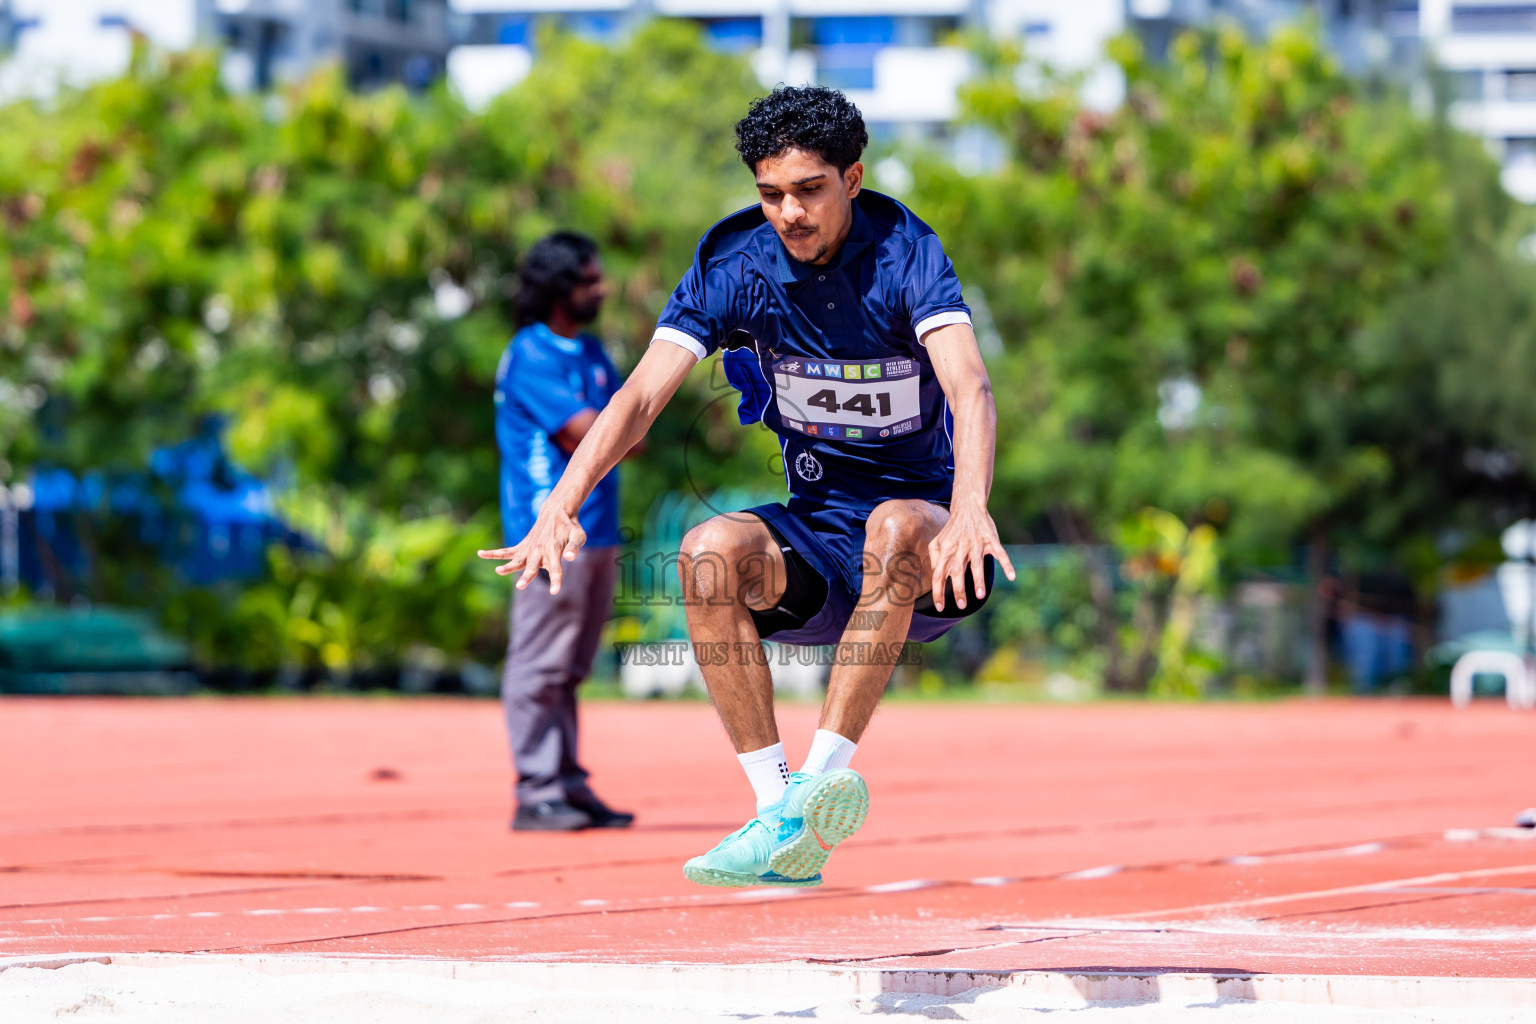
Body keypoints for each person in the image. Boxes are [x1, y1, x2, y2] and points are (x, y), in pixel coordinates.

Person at [480, 87, 1013, 882]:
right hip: (821, 545)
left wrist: (970, 506)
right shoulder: (735, 266)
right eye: (770, 195)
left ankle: (818, 788)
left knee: (896, 525)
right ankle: (776, 813)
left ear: (853, 178)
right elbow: (639, 399)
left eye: (809, 191)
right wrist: (561, 502)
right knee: (706, 552)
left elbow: (969, 384)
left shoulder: (907, 253)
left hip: (932, 551)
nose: (789, 213)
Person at [493, 231, 635, 832]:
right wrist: (615, 429)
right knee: (539, 663)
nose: (599, 289)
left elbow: (628, 429)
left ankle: (567, 781)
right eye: (588, 280)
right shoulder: (532, 353)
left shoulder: (593, 351)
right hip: (545, 530)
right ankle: (536, 789)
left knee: (573, 666)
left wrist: (614, 429)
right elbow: (591, 433)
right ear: (558, 287)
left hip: (597, 529)